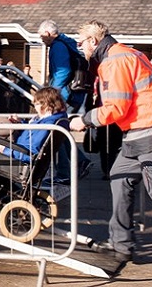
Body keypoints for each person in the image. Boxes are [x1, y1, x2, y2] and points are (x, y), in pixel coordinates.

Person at [69, 20, 152, 278]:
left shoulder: (114, 61)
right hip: (140, 133)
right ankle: (121, 245)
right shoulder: (125, 53)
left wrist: (84, 120)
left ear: (93, 41)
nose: (79, 48)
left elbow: (116, 108)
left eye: (81, 42)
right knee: (119, 178)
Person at [38, 20, 92, 182]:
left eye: (41, 36)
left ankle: (64, 172)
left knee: (55, 132)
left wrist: (52, 93)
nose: (41, 39)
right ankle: (80, 161)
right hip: (75, 94)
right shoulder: (66, 43)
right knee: (61, 132)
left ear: (48, 33)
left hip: (65, 95)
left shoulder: (58, 46)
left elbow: (63, 71)